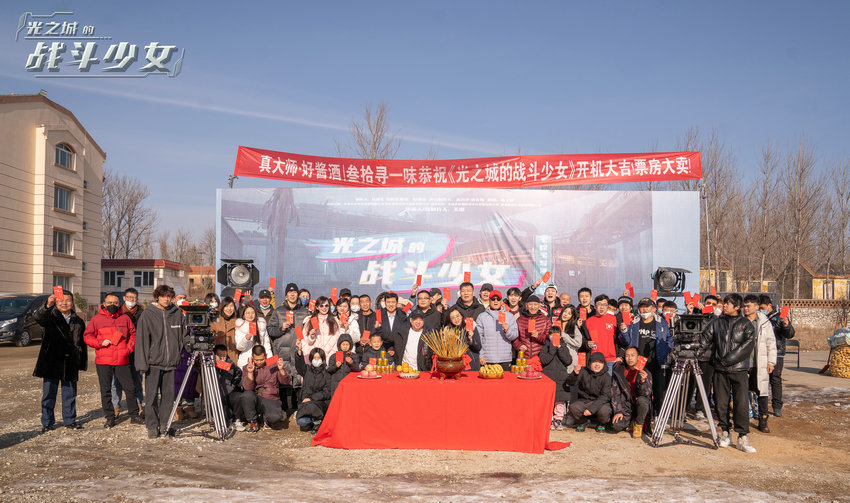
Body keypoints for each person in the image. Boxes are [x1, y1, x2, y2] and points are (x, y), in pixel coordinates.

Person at [703, 293, 756, 453]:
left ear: (737, 307)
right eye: (724, 303)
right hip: (720, 370)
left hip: (739, 369)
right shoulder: (716, 323)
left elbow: (747, 347)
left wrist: (727, 360)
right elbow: (704, 341)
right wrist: (692, 351)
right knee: (721, 402)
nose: (724, 306)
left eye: (728, 303)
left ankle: (742, 436)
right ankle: (725, 432)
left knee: (741, 403)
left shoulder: (746, 324)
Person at [83, 293, 143, 428]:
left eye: (115, 303)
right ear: (104, 304)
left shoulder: (125, 318)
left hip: (122, 360)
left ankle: (134, 415)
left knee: (130, 388)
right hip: (103, 361)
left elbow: (133, 334)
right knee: (106, 390)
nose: (112, 305)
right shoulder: (96, 319)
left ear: (119, 304)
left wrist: (128, 349)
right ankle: (110, 417)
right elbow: (87, 336)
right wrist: (99, 343)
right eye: (109, 303)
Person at [33, 289, 88, 432]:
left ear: (72, 302)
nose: (64, 303)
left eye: (68, 300)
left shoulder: (78, 320)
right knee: (48, 394)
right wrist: (48, 304)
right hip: (51, 361)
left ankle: (70, 420)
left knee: (70, 394)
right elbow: (38, 317)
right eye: (61, 300)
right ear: (56, 302)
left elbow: (81, 343)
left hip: (70, 362)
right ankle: (47, 422)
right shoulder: (50, 316)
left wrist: (81, 363)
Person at [136, 284, 187, 439]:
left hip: (171, 363)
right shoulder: (148, 314)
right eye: (163, 296)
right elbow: (142, 340)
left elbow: (184, 336)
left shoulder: (177, 313)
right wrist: (142, 364)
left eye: (169, 296)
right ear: (157, 297)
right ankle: (152, 426)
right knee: (151, 397)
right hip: (153, 363)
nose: (166, 299)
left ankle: (165, 425)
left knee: (168, 398)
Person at [618, 298, 673, 415]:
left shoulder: (662, 322)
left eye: (647, 307)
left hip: (657, 361)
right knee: (641, 389)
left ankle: (658, 414)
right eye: (642, 307)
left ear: (653, 308)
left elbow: (669, 338)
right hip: (640, 363)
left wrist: (666, 348)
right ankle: (643, 414)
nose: (644, 310)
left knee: (658, 390)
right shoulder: (634, 323)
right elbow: (627, 341)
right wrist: (624, 331)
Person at [267, 283, 310, 415]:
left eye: (295, 292)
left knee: (299, 380)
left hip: (298, 351)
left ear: (298, 294)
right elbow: (270, 330)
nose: (292, 295)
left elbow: (310, 330)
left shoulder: (304, 311)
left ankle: (298, 409)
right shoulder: (278, 311)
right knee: (283, 380)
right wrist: (282, 329)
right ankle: (284, 410)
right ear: (286, 295)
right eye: (290, 292)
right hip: (282, 352)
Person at [742, 294, 777, 433]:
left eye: (748, 306)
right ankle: (742, 419)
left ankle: (763, 420)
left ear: (756, 307)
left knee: (761, 392)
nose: (745, 308)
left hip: (759, 362)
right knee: (741, 392)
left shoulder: (764, 322)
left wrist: (771, 362)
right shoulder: (740, 320)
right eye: (744, 306)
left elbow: (771, 343)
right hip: (743, 363)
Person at [758, 294, 795, 417]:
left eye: (762, 308)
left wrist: (786, 326)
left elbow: (790, 334)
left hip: (777, 353)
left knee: (775, 379)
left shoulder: (780, 317)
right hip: (762, 352)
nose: (761, 310)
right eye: (759, 308)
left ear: (769, 306)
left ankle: (777, 406)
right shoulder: (759, 318)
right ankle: (760, 406)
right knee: (761, 379)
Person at [111, 287, 145, 420]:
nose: (132, 300)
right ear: (124, 298)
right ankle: (115, 407)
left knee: (137, 381)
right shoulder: (117, 313)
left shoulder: (142, 313)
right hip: (119, 352)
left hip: (136, 352)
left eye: (134, 298)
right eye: (129, 297)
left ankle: (139, 405)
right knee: (116, 382)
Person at [241, 345, 290, 432]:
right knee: (247, 395)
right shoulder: (247, 367)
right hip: (256, 398)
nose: (259, 362)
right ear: (252, 357)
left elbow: (285, 382)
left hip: (270, 397)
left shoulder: (274, 365)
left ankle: (267, 419)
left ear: (266, 356)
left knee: (275, 418)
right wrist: (250, 373)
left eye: (261, 359)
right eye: (256, 360)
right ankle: (253, 421)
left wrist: (281, 370)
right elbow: (247, 387)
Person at [565, 351, 612, 432]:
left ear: (604, 364)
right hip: (585, 401)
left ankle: (601, 424)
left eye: (600, 362)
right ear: (590, 363)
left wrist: (591, 409)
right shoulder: (583, 371)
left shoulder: (607, 377)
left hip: (600, 402)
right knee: (573, 407)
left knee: (605, 411)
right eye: (594, 362)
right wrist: (575, 374)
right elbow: (570, 383)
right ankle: (583, 422)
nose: (597, 364)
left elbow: (605, 396)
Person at [611, 347, 653, 438]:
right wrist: (618, 411)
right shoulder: (619, 371)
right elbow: (615, 393)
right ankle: (631, 422)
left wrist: (643, 381)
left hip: (639, 406)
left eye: (633, 355)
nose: (630, 358)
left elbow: (646, 394)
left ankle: (638, 424)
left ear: (638, 357)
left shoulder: (645, 372)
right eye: (627, 356)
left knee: (642, 401)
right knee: (616, 425)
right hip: (626, 407)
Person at [475, 290, 519, 370]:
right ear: (489, 301)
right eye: (493, 299)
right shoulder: (482, 317)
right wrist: (481, 355)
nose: (495, 301)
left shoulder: (509, 316)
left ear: (501, 301)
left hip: (505, 359)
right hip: (487, 359)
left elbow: (515, 335)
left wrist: (507, 331)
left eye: (498, 299)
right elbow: (479, 338)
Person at [539, 326, 573, 430]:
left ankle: (558, 419)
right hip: (548, 377)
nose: (554, 337)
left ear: (560, 336)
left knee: (560, 400)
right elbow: (544, 360)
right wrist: (552, 349)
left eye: (556, 335)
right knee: (549, 400)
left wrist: (559, 348)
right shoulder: (545, 346)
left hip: (561, 378)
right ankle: (549, 420)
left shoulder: (564, 346)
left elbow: (568, 361)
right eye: (552, 335)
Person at [294, 346, 332, 434]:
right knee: (301, 422)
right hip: (306, 402)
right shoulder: (307, 370)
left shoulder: (327, 373)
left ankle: (318, 420)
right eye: (314, 358)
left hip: (320, 403)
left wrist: (312, 398)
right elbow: (299, 366)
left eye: (318, 358)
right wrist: (299, 352)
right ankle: (314, 421)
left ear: (322, 359)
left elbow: (327, 392)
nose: (316, 360)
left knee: (312, 408)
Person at [584, 295, 619, 375]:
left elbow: (620, 339)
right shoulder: (588, 321)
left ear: (607, 306)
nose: (602, 307)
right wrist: (587, 343)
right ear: (595, 305)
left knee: (609, 382)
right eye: (599, 304)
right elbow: (584, 340)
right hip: (594, 359)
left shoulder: (614, 319)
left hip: (611, 359)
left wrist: (620, 356)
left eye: (604, 304)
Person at [213, 344, 245, 430]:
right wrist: (213, 360)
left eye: (224, 356)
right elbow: (196, 365)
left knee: (238, 397)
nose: (223, 358)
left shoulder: (230, 364)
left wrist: (233, 386)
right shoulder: (209, 364)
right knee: (224, 417)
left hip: (229, 393)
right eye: (220, 356)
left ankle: (236, 419)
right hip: (216, 394)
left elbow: (238, 374)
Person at [302, 296, 341, 364]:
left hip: (331, 359)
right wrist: (311, 337)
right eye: (321, 306)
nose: (324, 308)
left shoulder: (335, 321)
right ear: (317, 307)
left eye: (326, 305)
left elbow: (338, 340)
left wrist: (337, 358)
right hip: (315, 359)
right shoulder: (309, 321)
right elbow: (305, 342)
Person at [444, 305, 483, 371]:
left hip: (471, 364)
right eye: (453, 318)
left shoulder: (470, 326)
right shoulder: (448, 331)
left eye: (457, 316)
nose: (456, 319)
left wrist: (471, 339)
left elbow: (478, 347)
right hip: (456, 365)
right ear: (450, 320)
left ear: (461, 316)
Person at [234, 304, 272, 369]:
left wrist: (269, 359)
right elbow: (239, 347)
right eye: (247, 313)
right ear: (243, 315)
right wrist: (246, 339)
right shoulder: (240, 327)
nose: (250, 315)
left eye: (252, 313)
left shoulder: (261, 325)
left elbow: (266, 344)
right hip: (246, 360)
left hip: (260, 361)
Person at [210, 296, 238, 363]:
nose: (229, 309)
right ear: (222, 307)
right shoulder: (215, 321)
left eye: (231, 306)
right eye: (226, 306)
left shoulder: (238, 322)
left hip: (233, 357)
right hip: (218, 357)